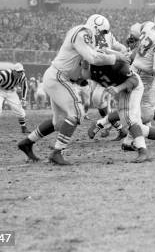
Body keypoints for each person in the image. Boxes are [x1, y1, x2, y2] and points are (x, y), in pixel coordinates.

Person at [17, 14, 128, 165]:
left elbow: (96, 56)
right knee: (76, 114)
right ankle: (57, 153)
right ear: (96, 27)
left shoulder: (86, 36)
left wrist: (117, 55)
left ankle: (27, 142)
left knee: (58, 123)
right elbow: (93, 58)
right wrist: (116, 58)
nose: (102, 37)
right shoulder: (82, 33)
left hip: (57, 77)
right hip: (59, 77)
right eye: (102, 32)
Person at [0, 63, 29, 135]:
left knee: (19, 109)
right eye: (18, 72)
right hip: (0, 90)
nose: (20, 73)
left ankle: (24, 127)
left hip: (11, 91)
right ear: (13, 71)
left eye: (21, 71)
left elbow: (25, 86)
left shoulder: (22, 76)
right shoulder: (4, 74)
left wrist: (24, 98)